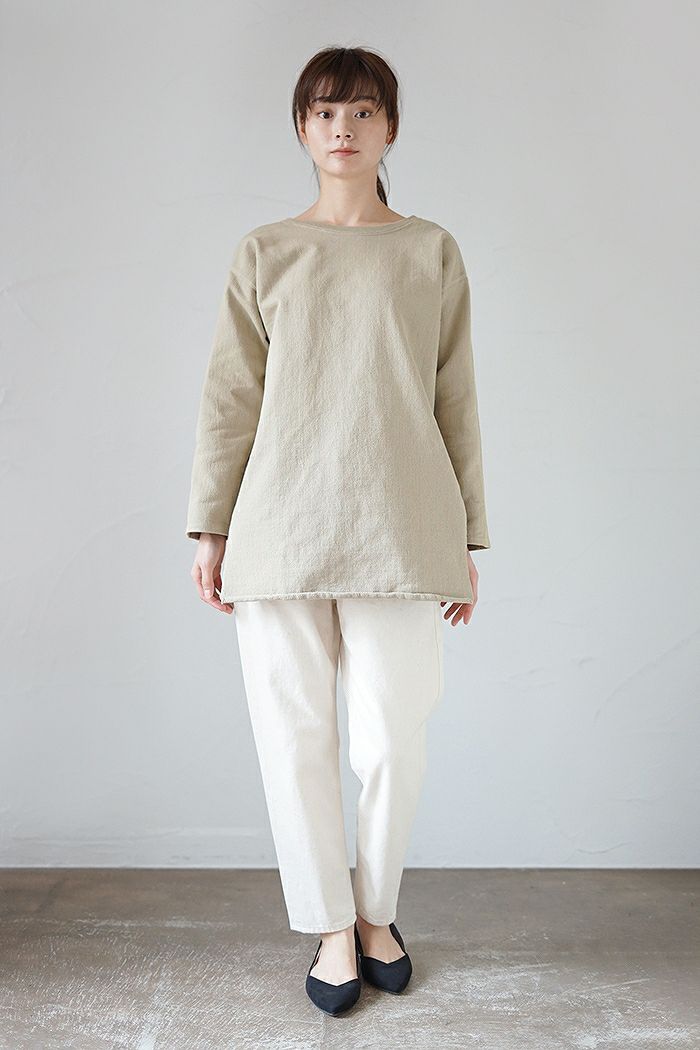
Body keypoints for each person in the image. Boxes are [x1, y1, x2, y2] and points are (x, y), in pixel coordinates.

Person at [185, 45, 491, 1016]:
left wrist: (466, 540)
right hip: (277, 529)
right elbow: (230, 398)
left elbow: (455, 398)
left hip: (401, 526)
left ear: (390, 128)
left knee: (391, 741)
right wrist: (209, 527)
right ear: (301, 129)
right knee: (295, 738)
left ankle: (375, 910)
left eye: (362, 112)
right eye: (324, 113)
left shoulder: (429, 250)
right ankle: (328, 926)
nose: (343, 129)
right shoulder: (265, 251)